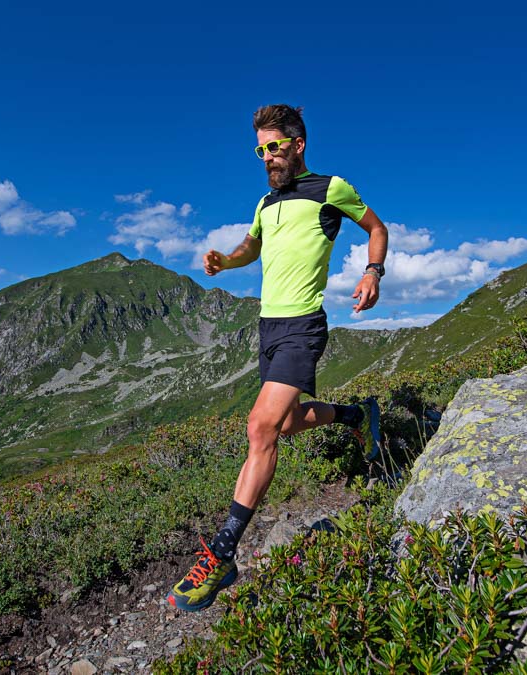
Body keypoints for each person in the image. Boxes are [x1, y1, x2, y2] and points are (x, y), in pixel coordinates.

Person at [167, 104, 389, 612]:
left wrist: (373, 271)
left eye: (274, 146)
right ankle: (358, 415)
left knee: (259, 428)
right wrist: (227, 259)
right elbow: (252, 245)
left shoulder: (331, 188)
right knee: (283, 425)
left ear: (298, 144)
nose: (266, 155)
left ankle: (222, 555)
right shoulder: (265, 202)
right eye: (260, 148)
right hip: (268, 326)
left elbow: (377, 228)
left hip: (304, 325)